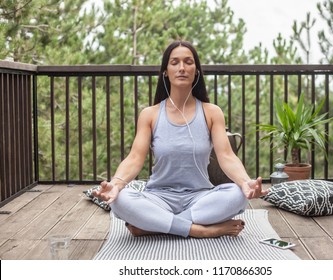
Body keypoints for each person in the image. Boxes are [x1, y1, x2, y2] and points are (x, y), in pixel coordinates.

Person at [93, 40, 268, 238]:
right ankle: (199, 230)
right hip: (158, 198)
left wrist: (245, 182)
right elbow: (134, 158)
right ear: (165, 71)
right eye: (175, 62)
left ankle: (153, 226)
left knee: (237, 195)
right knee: (120, 200)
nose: (182, 68)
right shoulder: (150, 114)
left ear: (197, 71)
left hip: (200, 197)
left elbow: (227, 156)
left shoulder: (212, 112)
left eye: (188, 62)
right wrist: (116, 185)